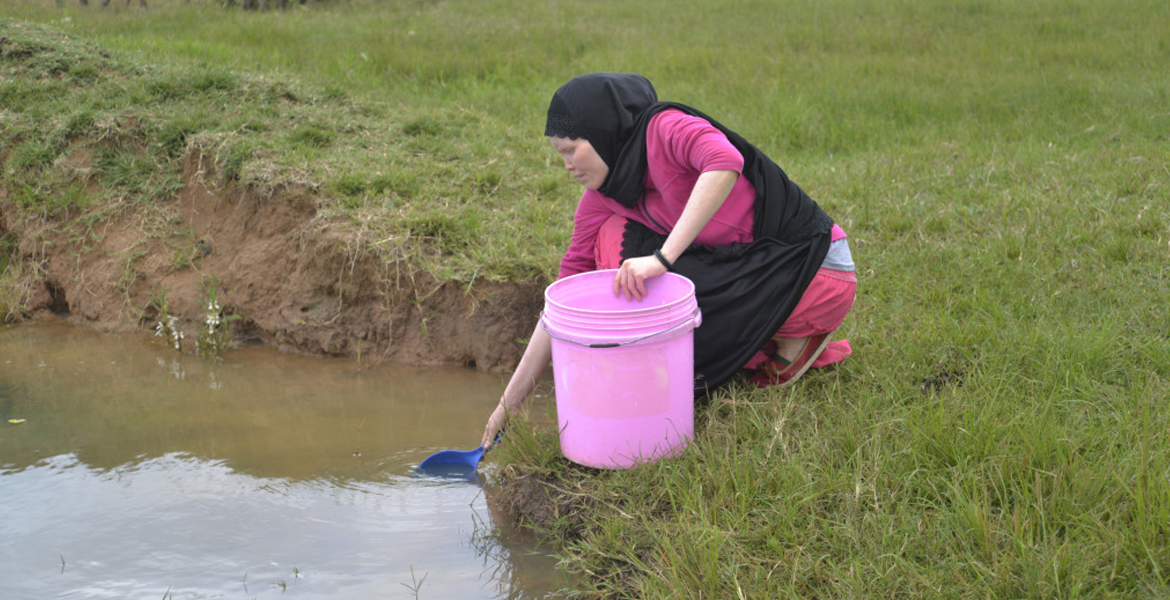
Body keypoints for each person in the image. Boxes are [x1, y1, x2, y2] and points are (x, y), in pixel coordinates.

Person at [481, 73, 856, 448]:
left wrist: (662, 258)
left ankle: (792, 335)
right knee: (608, 240)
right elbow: (564, 301)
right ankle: (753, 344)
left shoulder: (663, 129)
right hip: (744, 265)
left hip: (814, 271)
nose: (565, 165)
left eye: (570, 149)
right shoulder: (602, 194)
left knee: (627, 253)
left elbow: (725, 160)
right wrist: (507, 407)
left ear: (602, 130)